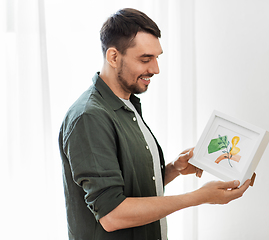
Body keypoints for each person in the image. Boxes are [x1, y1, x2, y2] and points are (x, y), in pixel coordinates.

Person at [58, 8, 251, 240]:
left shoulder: (126, 105)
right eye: (145, 59)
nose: (155, 69)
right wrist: (199, 197)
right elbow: (112, 215)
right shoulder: (89, 118)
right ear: (113, 57)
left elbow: (134, 189)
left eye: (157, 57)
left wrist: (173, 169)